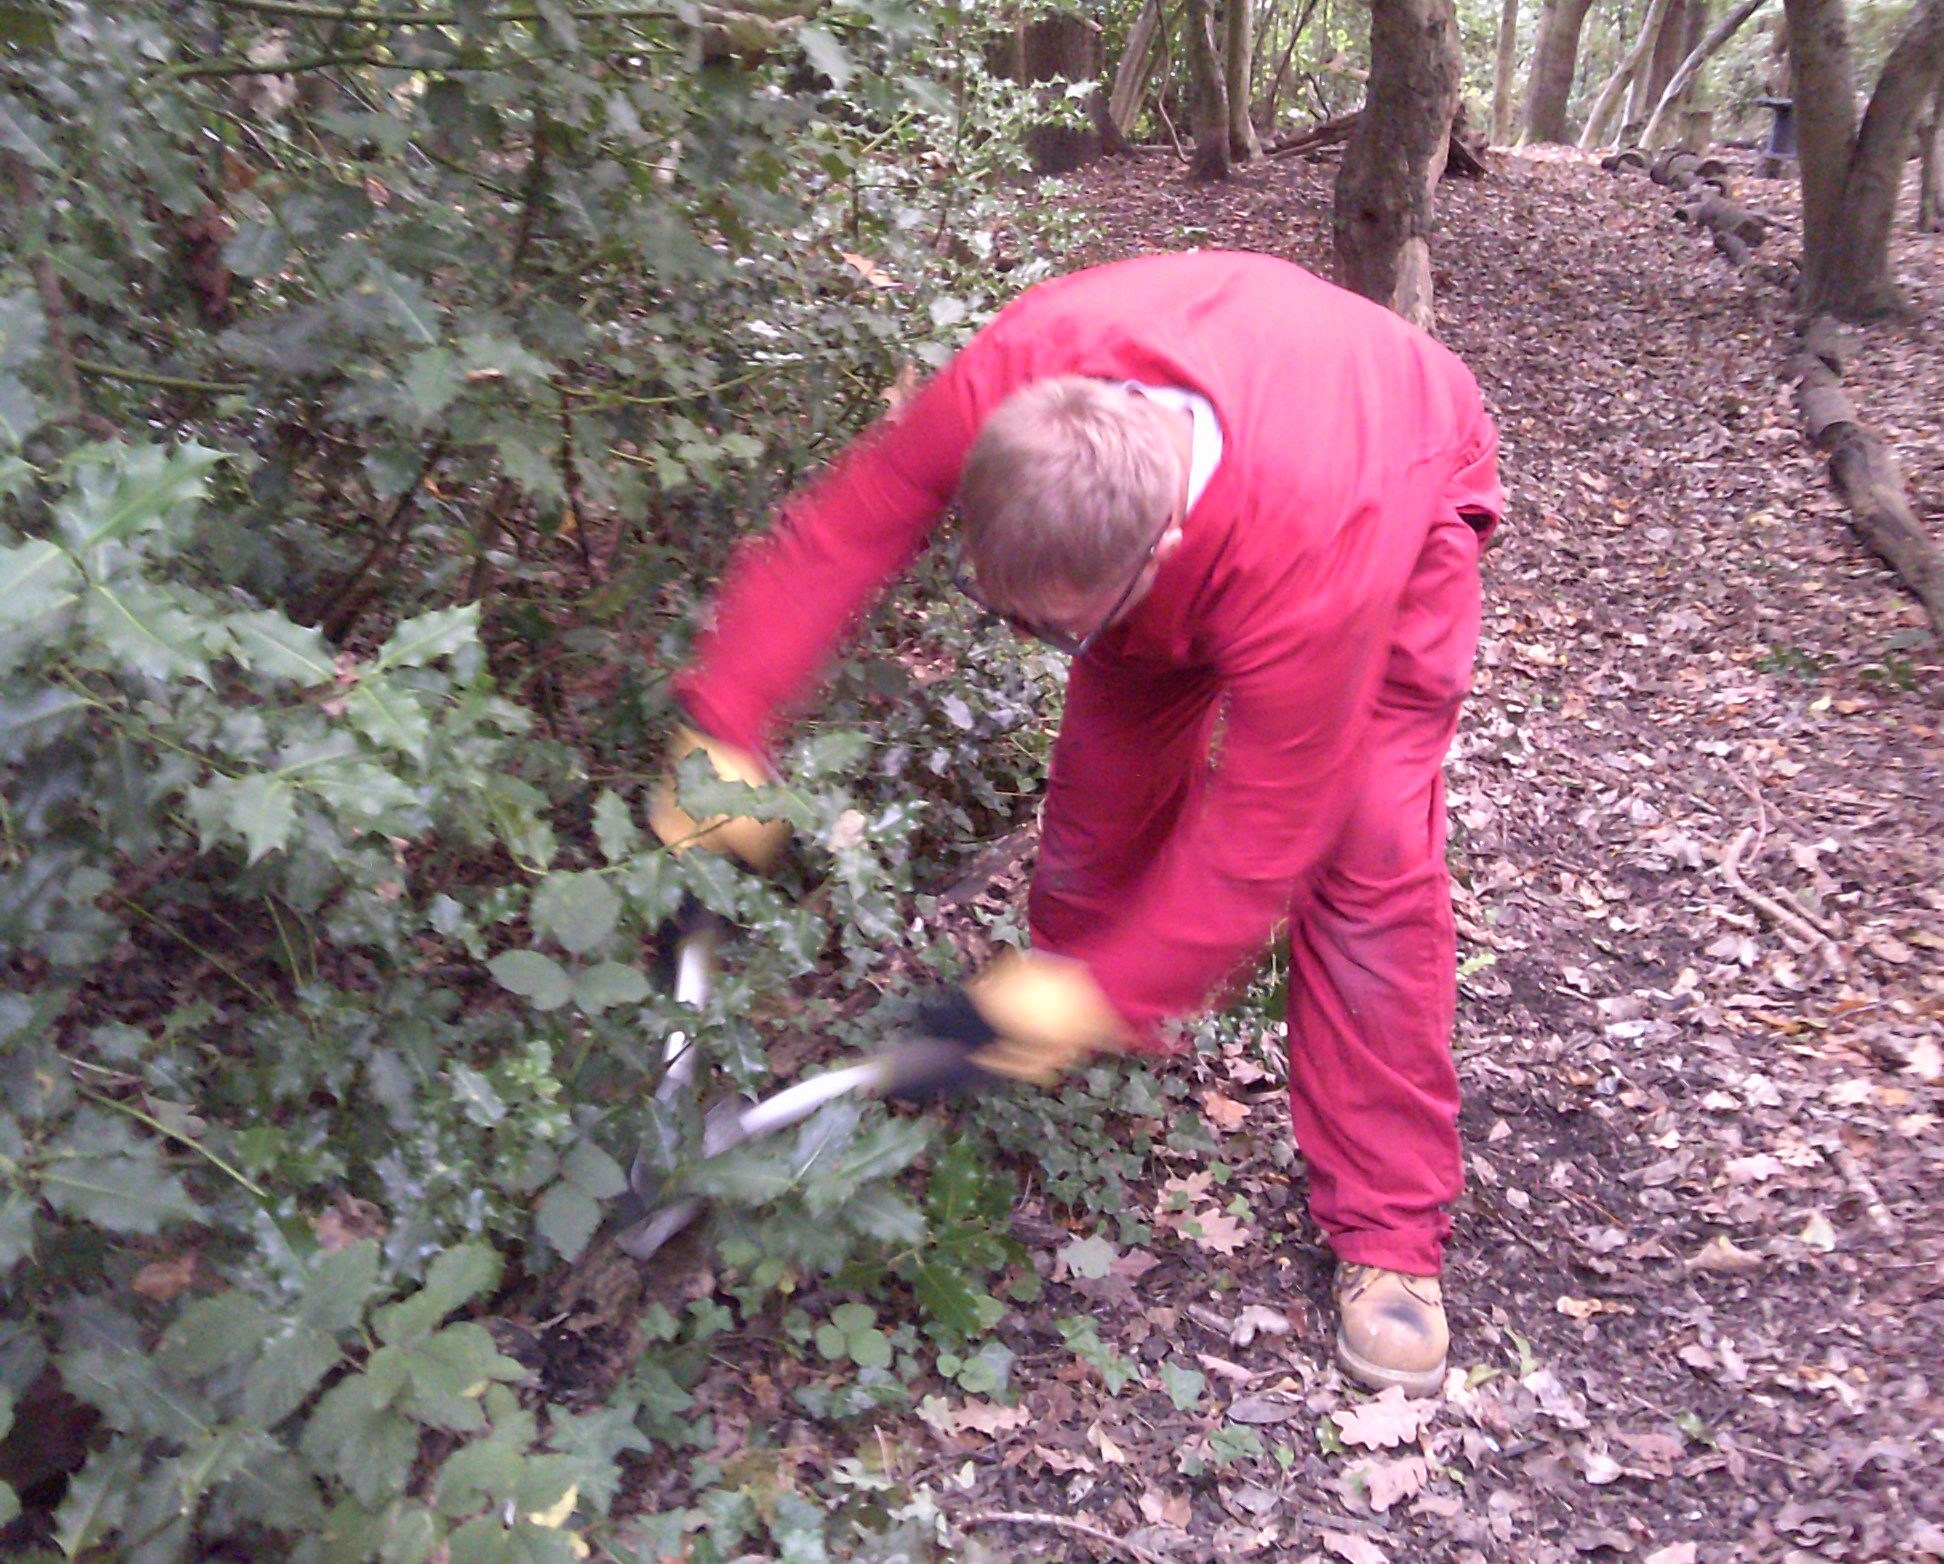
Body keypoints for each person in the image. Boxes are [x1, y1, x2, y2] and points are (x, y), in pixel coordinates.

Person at [647, 250, 1504, 1396]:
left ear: (1152, 560)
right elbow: (837, 538)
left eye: (1045, 629)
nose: (1024, 639)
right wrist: (721, 751)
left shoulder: (1315, 561)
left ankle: (1390, 1234)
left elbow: (1261, 839)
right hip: (1216, 468)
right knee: (1103, 797)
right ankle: (1078, 1040)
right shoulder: (1009, 382)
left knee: (1364, 851)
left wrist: (1081, 1001)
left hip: (1395, 465)